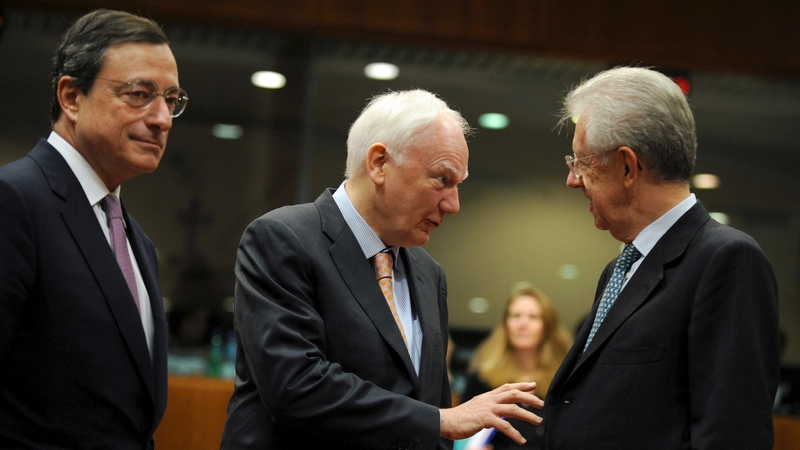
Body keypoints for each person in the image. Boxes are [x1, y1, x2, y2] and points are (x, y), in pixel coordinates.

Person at [221, 89, 544, 450]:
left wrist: (439, 421)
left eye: (458, 186)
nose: (453, 204)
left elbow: (430, 408)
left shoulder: (428, 273)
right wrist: (442, 420)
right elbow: (295, 384)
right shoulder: (282, 238)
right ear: (378, 163)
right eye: (441, 179)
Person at [545, 66, 781, 449]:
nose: (573, 179)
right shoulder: (620, 269)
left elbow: (733, 434)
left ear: (627, 166)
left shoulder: (726, 262)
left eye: (582, 162)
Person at [0, 9, 187, 448]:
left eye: (171, 100)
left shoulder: (135, 240)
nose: (162, 118)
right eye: (140, 94)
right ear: (71, 97)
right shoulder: (15, 201)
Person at [460, 283, 571, 450]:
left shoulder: (563, 380)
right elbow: (464, 434)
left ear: (547, 326)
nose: (522, 324)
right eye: (515, 316)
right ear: (505, 324)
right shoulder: (482, 377)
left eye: (533, 317)